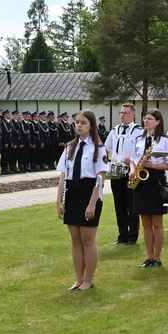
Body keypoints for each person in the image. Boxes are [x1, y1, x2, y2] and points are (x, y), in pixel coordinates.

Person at [56, 110, 107, 291]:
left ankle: (89, 280)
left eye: (83, 122)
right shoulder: (70, 146)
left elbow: (100, 178)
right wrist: (59, 201)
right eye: (77, 122)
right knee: (75, 240)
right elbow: (63, 175)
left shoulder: (98, 148)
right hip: (72, 194)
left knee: (88, 240)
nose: (78, 125)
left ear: (91, 125)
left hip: (89, 194)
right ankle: (78, 279)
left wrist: (92, 203)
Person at [130, 109, 168, 268]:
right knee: (145, 223)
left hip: (155, 181)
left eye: (149, 119)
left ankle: (157, 257)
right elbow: (132, 159)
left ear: (157, 122)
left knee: (157, 222)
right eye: (145, 119)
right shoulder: (138, 138)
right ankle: (149, 257)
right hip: (140, 181)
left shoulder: (164, 140)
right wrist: (132, 169)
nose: (146, 121)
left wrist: (153, 165)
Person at [104, 104, 142, 245]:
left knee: (131, 205)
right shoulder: (115, 130)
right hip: (115, 172)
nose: (122, 115)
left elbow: (141, 150)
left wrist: (130, 156)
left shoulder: (138, 131)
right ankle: (122, 235)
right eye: (121, 112)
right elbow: (106, 148)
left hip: (129, 172)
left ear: (133, 115)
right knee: (119, 204)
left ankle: (132, 236)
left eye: (125, 113)